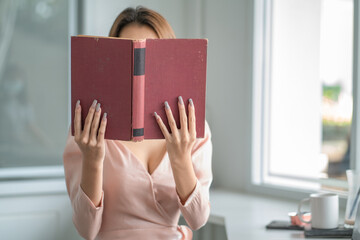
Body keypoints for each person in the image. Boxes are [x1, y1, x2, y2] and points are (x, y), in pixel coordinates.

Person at [63, 6, 213, 240]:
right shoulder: (87, 129)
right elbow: (86, 230)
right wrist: (92, 159)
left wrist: (181, 157)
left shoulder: (190, 128)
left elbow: (198, 219)